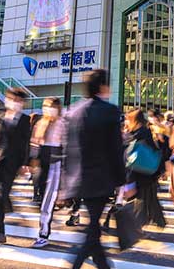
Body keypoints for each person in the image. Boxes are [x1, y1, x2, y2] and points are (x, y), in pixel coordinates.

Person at [59, 69, 124, 269]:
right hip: (101, 179)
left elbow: (66, 150)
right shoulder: (110, 111)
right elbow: (116, 149)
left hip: (77, 179)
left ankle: (102, 264)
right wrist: (123, 181)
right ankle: (78, 264)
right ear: (103, 86)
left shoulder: (73, 111)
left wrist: (65, 184)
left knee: (94, 227)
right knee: (92, 229)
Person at [0, 87, 32, 248]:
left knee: (1, 196)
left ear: (22, 103)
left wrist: (25, 163)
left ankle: (7, 206)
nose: (13, 102)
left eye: (17, 100)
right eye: (10, 99)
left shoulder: (25, 120)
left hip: (13, 164)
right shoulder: (1, 117)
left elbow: (25, 143)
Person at [31, 98, 65, 248]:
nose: (48, 109)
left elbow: (68, 146)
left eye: (51, 107)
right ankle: (43, 230)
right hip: (41, 164)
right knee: (41, 198)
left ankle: (43, 234)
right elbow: (34, 144)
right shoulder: (40, 123)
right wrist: (32, 162)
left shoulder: (63, 124)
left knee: (48, 200)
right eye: (46, 106)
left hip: (55, 163)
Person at [124, 109, 166, 228]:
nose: (126, 121)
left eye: (128, 119)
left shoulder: (137, 135)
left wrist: (129, 183)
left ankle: (139, 226)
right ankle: (157, 221)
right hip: (147, 173)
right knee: (148, 199)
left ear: (134, 120)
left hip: (139, 174)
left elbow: (132, 159)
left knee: (142, 200)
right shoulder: (145, 132)